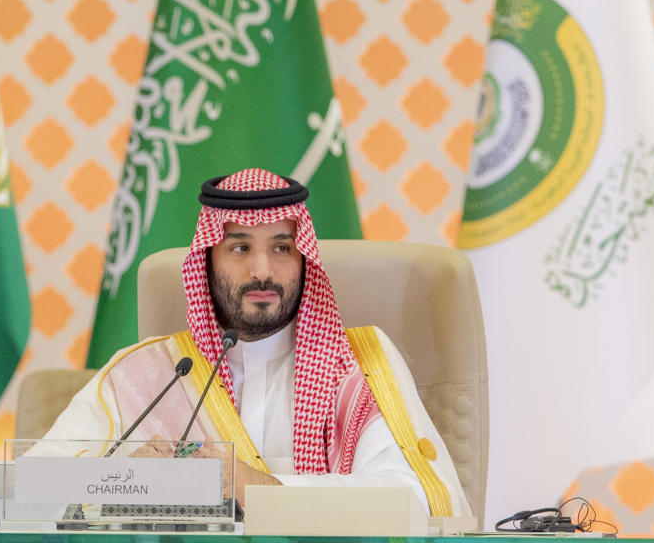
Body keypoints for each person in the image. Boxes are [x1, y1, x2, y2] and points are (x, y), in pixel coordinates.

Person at [42, 168, 471, 517]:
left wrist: (254, 486)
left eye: (282, 247)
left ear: (304, 258)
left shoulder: (357, 367)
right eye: (240, 247)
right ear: (207, 261)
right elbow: (33, 484)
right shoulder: (151, 373)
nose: (262, 270)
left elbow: (412, 500)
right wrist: (121, 481)